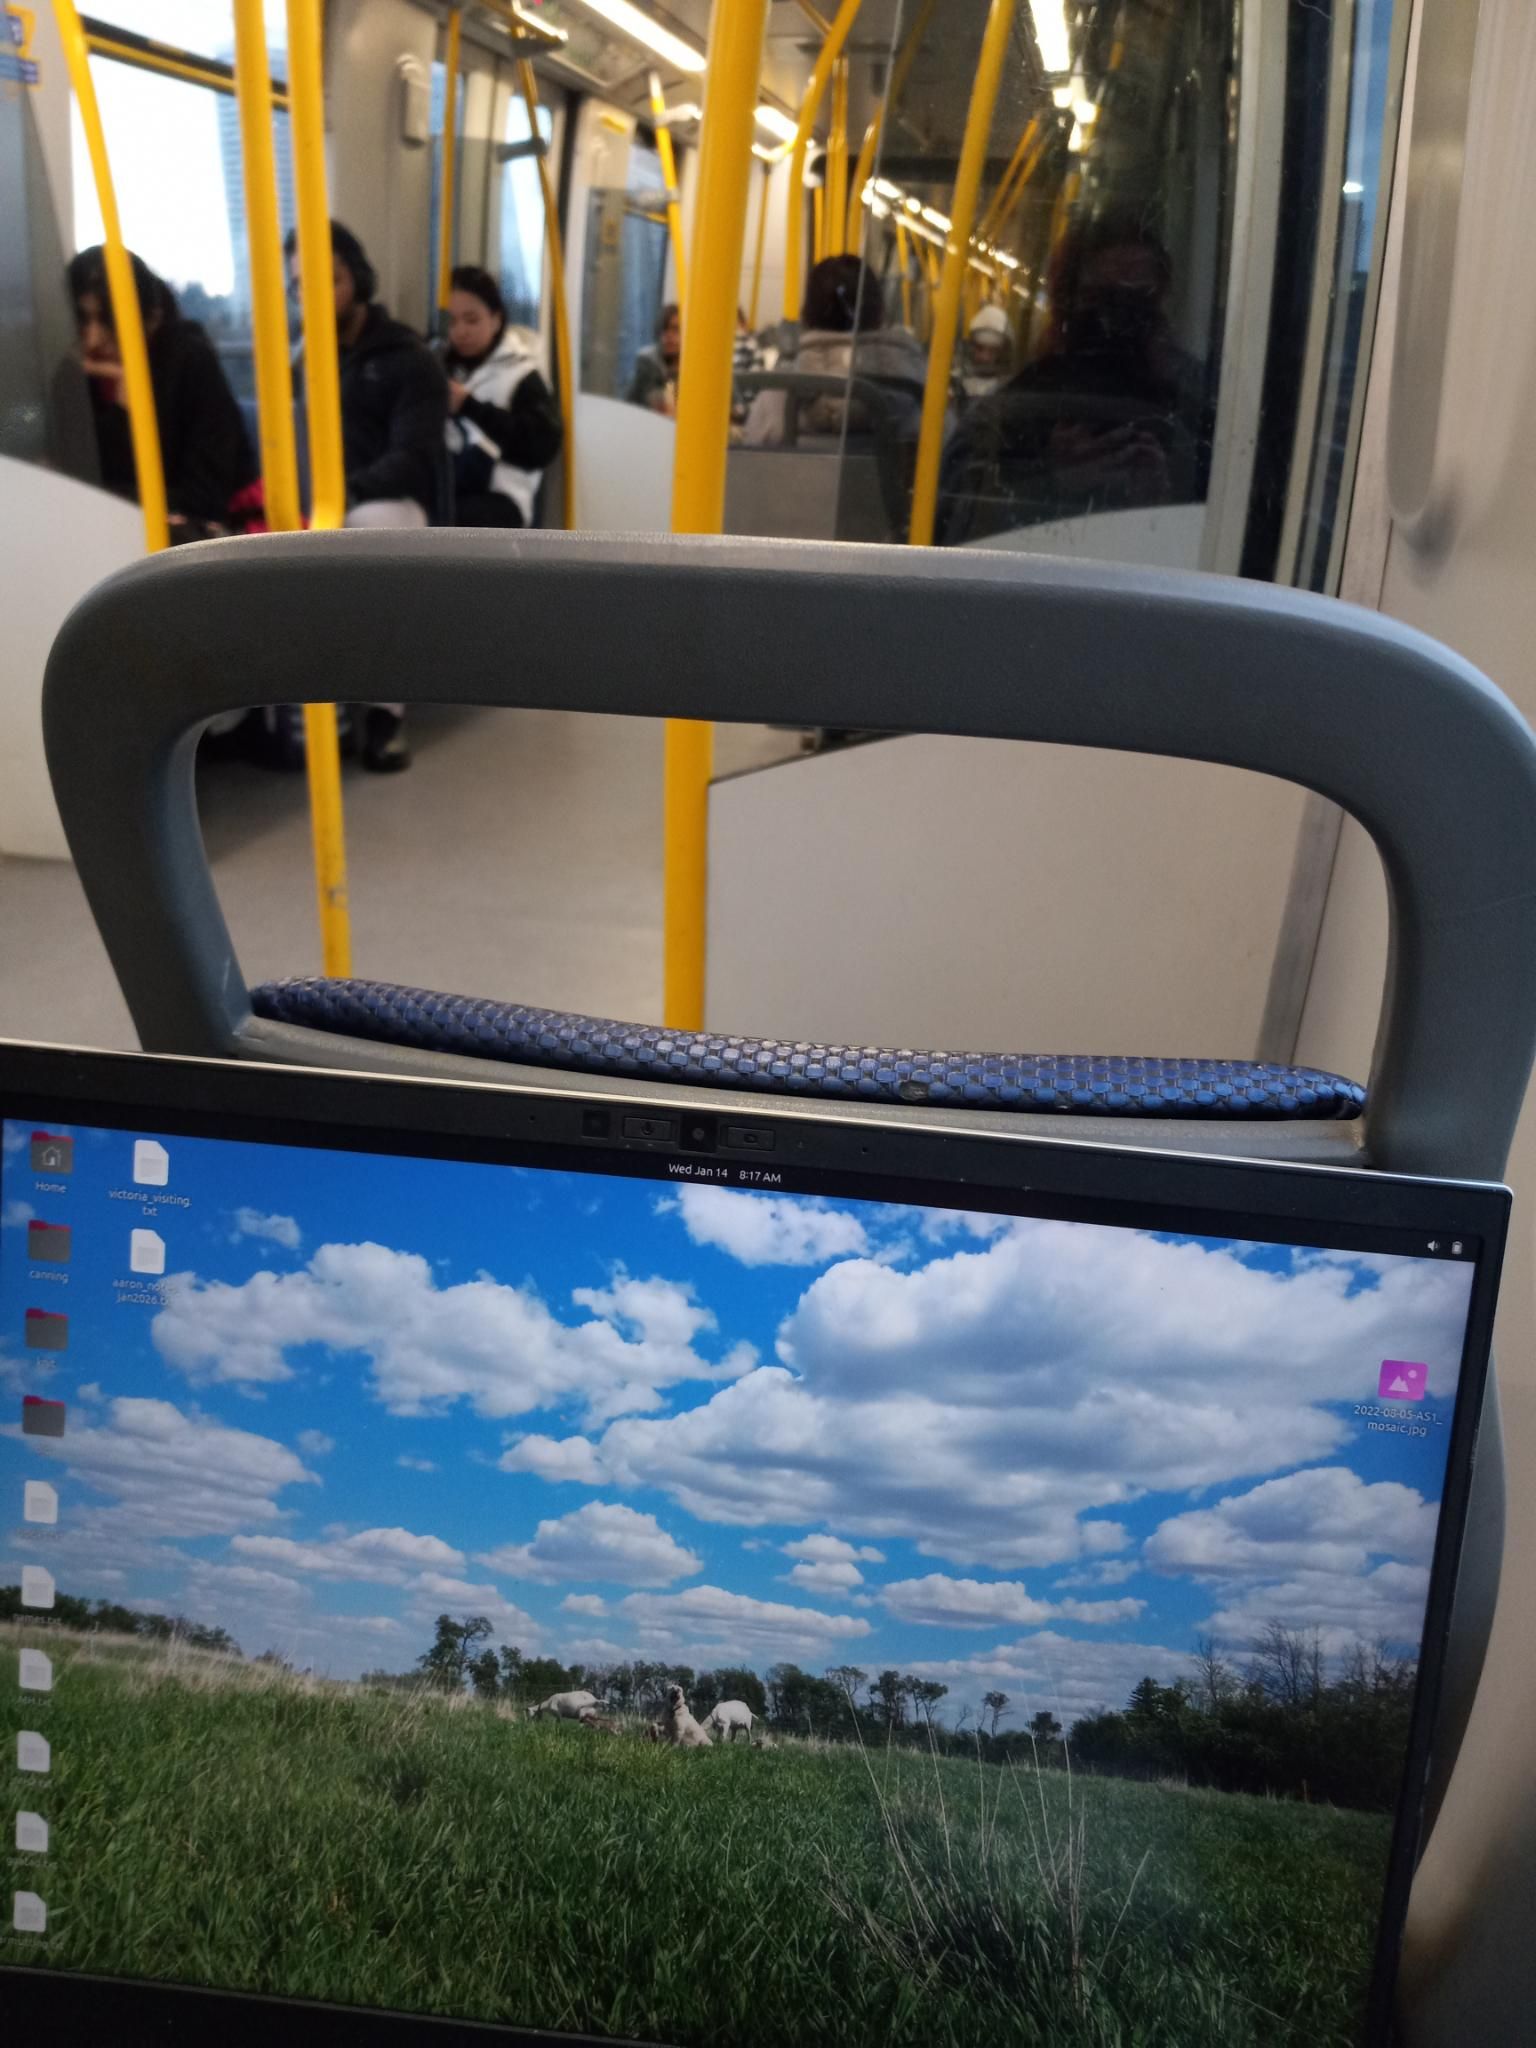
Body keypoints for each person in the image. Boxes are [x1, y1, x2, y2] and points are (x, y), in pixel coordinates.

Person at [935, 212, 1208, 546]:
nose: (1114, 324)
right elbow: (955, 526)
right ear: (1065, 304)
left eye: (1138, 301)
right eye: (1099, 301)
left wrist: (1166, 496)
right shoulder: (1013, 416)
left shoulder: (1200, 411)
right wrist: (1046, 481)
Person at [285, 221, 449, 770]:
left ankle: (385, 712)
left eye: (327, 281)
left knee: (373, 536)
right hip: (323, 499)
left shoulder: (408, 358)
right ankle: (308, 710)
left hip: (387, 498)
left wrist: (345, 494)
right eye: (300, 287)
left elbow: (414, 457)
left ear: (358, 278)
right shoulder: (301, 358)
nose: (313, 298)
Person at [66, 246, 256, 534]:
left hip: (224, 526)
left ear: (152, 321)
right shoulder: (74, 378)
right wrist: (120, 414)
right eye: (83, 320)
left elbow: (206, 497)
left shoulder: (191, 363)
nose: (93, 339)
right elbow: (75, 482)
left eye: (111, 322)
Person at [741, 254, 927, 448]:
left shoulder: (777, 396)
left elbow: (751, 455)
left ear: (807, 314)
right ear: (879, 313)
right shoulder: (914, 392)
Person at [441, 265, 561, 528]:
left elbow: (540, 447)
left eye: (472, 320)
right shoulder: (440, 365)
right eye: (452, 321)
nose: (460, 331)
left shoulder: (522, 375)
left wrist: (469, 406)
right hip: (450, 485)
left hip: (502, 498)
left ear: (496, 320)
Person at [627, 302, 681, 415]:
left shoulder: (694, 369)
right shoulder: (647, 362)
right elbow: (657, 404)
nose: (669, 336)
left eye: (675, 330)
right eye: (664, 329)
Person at [957, 303, 1013, 403]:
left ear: (1002, 353)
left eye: (993, 351)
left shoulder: (1008, 389)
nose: (985, 357)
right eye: (979, 348)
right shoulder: (955, 382)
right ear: (970, 346)